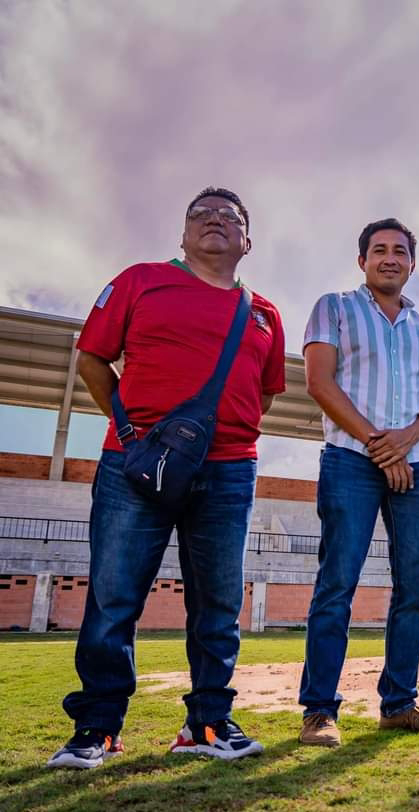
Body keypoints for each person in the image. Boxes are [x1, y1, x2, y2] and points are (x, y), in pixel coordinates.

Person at [48, 187, 285, 769]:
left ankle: (207, 723)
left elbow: (266, 393)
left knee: (219, 604)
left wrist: (218, 433)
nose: (214, 220)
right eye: (200, 214)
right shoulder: (140, 280)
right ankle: (97, 728)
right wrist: (133, 434)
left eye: (229, 216)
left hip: (229, 469)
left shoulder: (264, 313)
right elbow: (92, 358)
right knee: (114, 597)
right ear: (182, 234)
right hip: (134, 464)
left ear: (247, 241)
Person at [298, 218, 419, 746]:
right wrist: (378, 445)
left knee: (415, 591)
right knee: (337, 584)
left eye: (400, 251)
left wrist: (403, 442)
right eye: (380, 249)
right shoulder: (334, 308)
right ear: (362, 260)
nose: (390, 258)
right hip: (350, 459)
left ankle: (400, 704)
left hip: (418, 462)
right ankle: (319, 710)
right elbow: (319, 382)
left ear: (412, 263)